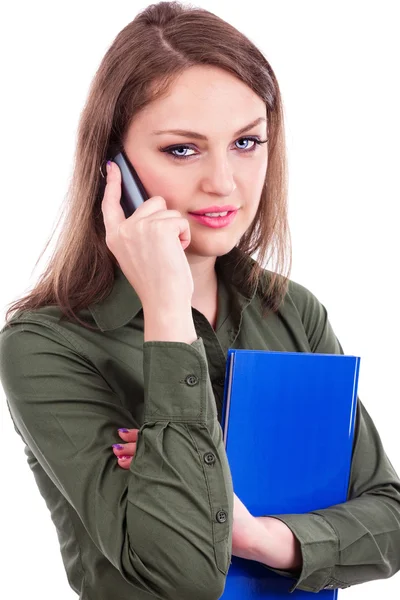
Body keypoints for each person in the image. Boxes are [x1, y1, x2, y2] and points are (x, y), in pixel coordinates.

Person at [0, 2, 399, 598]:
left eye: (246, 142)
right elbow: (181, 573)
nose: (223, 182)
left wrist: (260, 537)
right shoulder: (44, 345)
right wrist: (167, 315)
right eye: (182, 150)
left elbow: (390, 524)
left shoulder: (293, 312)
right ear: (114, 167)